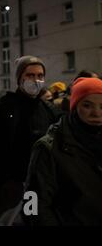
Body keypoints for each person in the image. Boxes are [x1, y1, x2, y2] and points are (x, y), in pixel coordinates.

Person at [0, 55, 62, 224]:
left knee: (31, 220)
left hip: (35, 188)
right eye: (30, 75)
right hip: (8, 189)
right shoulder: (2, 108)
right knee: (6, 221)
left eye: (40, 76)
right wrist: (1, 174)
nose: (36, 80)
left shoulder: (49, 111)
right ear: (19, 78)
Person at [26, 77, 102, 225]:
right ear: (74, 106)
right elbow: (33, 207)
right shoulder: (49, 147)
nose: (96, 113)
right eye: (87, 105)